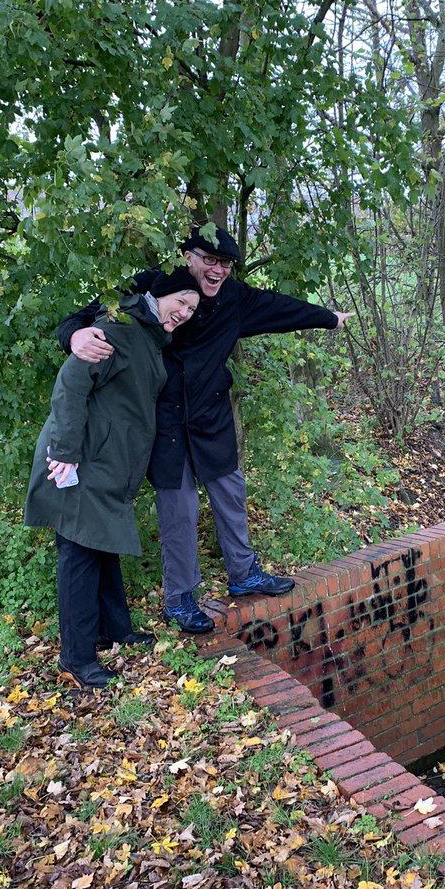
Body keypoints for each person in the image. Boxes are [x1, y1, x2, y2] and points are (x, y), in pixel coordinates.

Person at [58, 225, 353, 635]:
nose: (218, 270)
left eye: (226, 264)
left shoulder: (235, 298)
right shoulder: (150, 287)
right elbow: (89, 314)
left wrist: (328, 319)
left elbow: (280, 307)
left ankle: (244, 572)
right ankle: (180, 599)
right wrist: (73, 335)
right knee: (179, 512)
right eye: (210, 260)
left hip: (211, 418)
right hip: (165, 425)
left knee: (231, 494)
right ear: (188, 257)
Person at [27, 271, 201, 686]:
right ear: (157, 295)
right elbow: (71, 383)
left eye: (192, 309)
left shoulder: (149, 335)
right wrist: (66, 454)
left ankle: (114, 630)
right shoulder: (119, 328)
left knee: (102, 544)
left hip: (107, 463)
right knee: (80, 555)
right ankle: (77, 657)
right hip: (79, 460)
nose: (185, 313)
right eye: (181, 301)